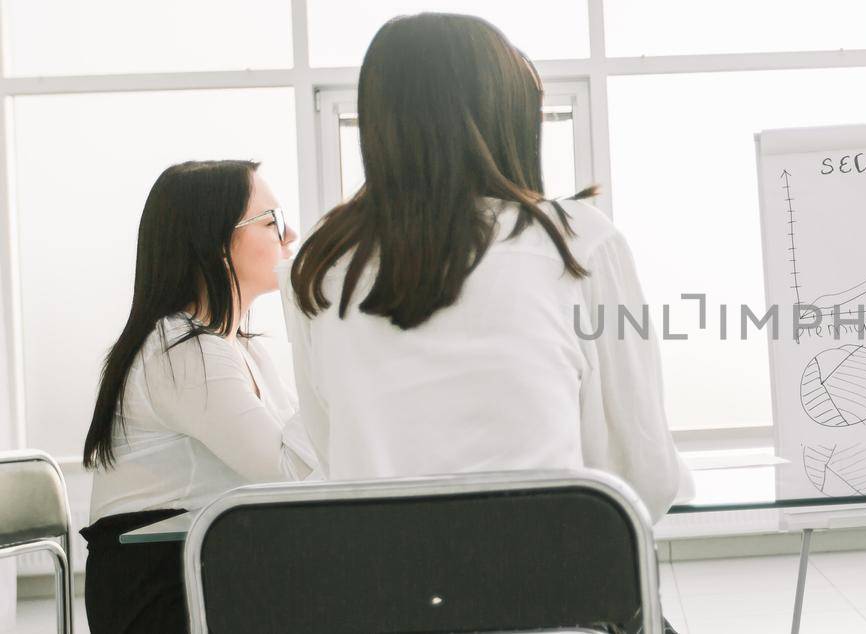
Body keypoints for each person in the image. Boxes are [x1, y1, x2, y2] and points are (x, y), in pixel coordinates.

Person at [285, 13, 688, 523]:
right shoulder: (576, 241)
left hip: (381, 589)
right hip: (557, 583)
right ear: (507, 115)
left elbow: (330, 447)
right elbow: (642, 474)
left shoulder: (321, 262)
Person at [78, 160, 315, 633]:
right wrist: (320, 332)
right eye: (274, 221)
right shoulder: (181, 350)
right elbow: (291, 473)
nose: (291, 238)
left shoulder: (238, 346)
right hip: (160, 589)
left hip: (203, 569)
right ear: (216, 242)